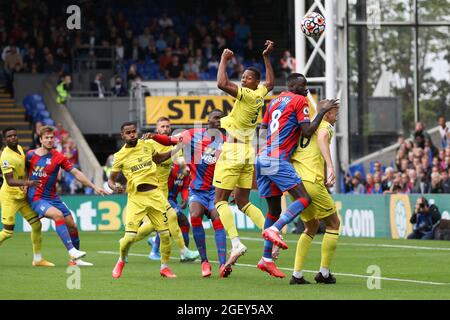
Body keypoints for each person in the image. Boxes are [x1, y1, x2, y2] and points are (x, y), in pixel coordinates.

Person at [256, 73, 339, 278]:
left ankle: (267, 259)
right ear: (293, 86)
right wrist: (320, 112)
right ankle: (276, 229)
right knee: (305, 199)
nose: (306, 89)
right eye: (303, 85)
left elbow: (263, 131)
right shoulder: (300, 101)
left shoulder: (274, 101)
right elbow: (308, 132)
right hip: (279, 160)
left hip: (263, 157)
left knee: (274, 210)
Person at [213, 40, 275, 270]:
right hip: (249, 151)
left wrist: (223, 60)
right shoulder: (259, 92)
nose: (244, 80)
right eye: (244, 78)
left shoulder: (248, 95)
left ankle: (236, 243)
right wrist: (266, 57)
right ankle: (270, 232)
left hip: (233, 150)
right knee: (242, 202)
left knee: (219, 201)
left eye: (248, 78)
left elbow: (221, 83)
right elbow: (270, 82)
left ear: (254, 82)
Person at [26, 126, 109, 265]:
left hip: (53, 197)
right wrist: (23, 183)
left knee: (72, 226)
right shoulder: (30, 155)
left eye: (52, 137)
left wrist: (94, 186)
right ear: (40, 139)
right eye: (46, 137)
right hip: (36, 197)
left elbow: (76, 173)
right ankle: (71, 251)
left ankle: (75, 261)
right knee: (58, 215)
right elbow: (21, 169)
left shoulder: (58, 157)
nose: (49, 140)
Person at [109, 122, 180, 278]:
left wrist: (177, 149)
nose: (132, 134)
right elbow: (111, 179)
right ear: (123, 136)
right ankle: (121, 260)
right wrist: (114, 187)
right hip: (136, 199)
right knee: (128, 238)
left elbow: (159, 159)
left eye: (134, 131)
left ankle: (164, 267)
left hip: (155, 195)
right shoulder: (119, 156)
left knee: (164, 234)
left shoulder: (146, 145)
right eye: (128, 132)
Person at [287, 102, 341, 284]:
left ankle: (297, 274)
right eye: (335, 113)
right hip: (311, 181)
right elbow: (322, 138)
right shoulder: (325, 126)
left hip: (296, 183)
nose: (336, 116)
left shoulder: (306, 126)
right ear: (326, 114)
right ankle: (324, 273)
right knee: (334, 223)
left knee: (311, 226)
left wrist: (325, 175)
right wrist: (332, 166)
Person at [138, 117, 199, 263]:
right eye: (162, 127)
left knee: (165, 221)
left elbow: (181, 166)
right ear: (157, 129)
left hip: (163, 192)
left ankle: (182, 251)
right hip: (149, 190)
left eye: (167, 126)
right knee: (165, 221)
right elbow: (158, 160)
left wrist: (186, 170)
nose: (165, 129)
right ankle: (131, 244)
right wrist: (176, 149)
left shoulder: (173, 144)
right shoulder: (150, 143)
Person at [177, 110, 230, 277]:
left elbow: (232, 169)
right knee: (195, 215)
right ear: (207, 120)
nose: (215, 121)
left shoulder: (227, 143)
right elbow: (176, 143)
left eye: (219, 118)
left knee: (218, 219)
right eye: (213, 118)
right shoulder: (194, 137)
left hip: (216, 190)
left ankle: (223, 264)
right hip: (198, 190)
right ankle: (205, 262)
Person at [0, 128, 54, 267]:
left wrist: (27, 178)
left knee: (37, 225)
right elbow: (10, 181)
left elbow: (24, 167)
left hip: (21, 196)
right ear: (5, 140)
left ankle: (37, 259)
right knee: (7, 232)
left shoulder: (19, 148)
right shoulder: (6, 157)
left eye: (14, 135)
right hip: (9, 198)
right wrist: (28, 183)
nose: (13, 138)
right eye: (9, 136)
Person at [147, 156, 191, 260]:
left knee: (165, 225)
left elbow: (185, 187)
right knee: (180, 222)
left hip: (172, 200)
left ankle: (154, 242)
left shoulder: (186, 172)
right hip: (164, 198)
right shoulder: (170, 170)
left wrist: (185, 199)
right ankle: (155, 250)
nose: (188, 170)